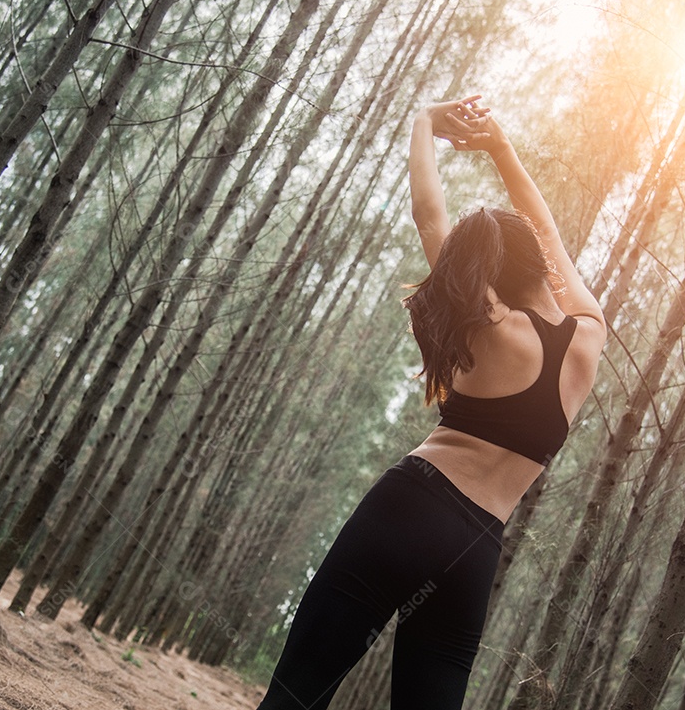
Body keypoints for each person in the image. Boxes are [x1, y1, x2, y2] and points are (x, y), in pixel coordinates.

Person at [256, 96, 606, 710]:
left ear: (491, 270)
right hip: (474, 552)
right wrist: (501, 148)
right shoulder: (589, 335)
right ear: (541, 265)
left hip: (408, 508)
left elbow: (428, 215)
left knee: (298, 692)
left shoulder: (488, 321)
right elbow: (546, 230)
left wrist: (423, 120)